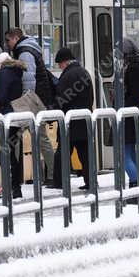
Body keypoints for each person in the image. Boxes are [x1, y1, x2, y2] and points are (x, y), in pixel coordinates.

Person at [5, 27, 56, 183]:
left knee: (29, 136)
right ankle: (50, 174)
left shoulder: (25, 51)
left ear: (15, 38)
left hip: (31, 100)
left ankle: (52, 174)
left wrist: (24, 101)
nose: (8, 45)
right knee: (37, 137)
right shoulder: (31, 48)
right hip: (37, 98)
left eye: (8, 40)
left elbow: (29, 79)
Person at [0, 52, 26, 199]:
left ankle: (14, 187)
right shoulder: (13, 71)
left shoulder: (3, 73)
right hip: (15, 117)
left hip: (9, 118)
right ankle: (14, 188)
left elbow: (1, 98)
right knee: (7, 151)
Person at [52, 47, 93, 190]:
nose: (59, 67)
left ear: (65, 62)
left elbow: (62, 99)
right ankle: (91, 181)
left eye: (60, 64)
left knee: (62, 154)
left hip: (70, 122)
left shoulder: (68, 75)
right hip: (84, 120)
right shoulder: (84, 72)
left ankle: (58, 182)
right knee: (85, 154)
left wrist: (52, 113)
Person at [121, 38, 139, 187]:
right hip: (129, 116)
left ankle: (135, 183)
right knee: (130, 153)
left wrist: (123, 107)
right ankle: (137, 183)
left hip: (128, 116)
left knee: (124, 155)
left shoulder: (133, 69)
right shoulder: (133, 66)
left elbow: (134, 95)